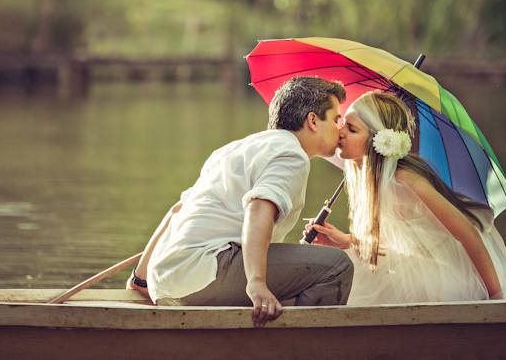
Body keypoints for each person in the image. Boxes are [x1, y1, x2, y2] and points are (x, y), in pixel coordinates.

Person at [127, 76, 354, 326]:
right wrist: (256, 283)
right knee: (336, 266)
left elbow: (177, 211)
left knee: (304, 272)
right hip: (206, 272)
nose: (340, 128)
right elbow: (258, 208)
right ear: (312, 121)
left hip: (166, 279)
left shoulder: (233, 149)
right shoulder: (292, 154)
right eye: (335, 119)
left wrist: (141, 280)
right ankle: (297, 348)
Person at [305, 90, 506, 305]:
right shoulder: (370, 179)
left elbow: (467, 233)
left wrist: (497, 298)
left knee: (358, 279)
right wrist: (345, 240)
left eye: (352, 129)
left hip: (452, 272)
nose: (341, 132)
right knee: (349, 266)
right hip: (415, 263)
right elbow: (394, 246)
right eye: (344, 124)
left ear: (377, 142)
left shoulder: (406, 180)